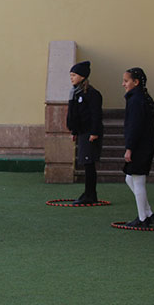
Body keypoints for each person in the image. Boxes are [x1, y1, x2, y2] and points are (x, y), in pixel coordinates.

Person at [122, 67, 154, 227]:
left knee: (138, 181)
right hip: (144, 144)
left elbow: (134, 126)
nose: (123, 84)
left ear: (136, 82)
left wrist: (129, 148)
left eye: (126, 81)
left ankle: (143, 218)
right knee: (130, 178)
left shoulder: (136, 101)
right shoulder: (140, 98)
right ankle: (148, 213)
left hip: (140, 146)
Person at [66, 61, 103, 205]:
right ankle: (88, 193)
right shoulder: (76, 93)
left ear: (82, 76)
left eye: (74, 75)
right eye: (71, 75)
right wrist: (74, 130)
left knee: (89, 163)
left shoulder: (91, 94)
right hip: (82, 132)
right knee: (85, 162)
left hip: (90, 133)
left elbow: (96, 115)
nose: (71, 78)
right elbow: (75, 115)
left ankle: (90, 194)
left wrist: (94, 132)